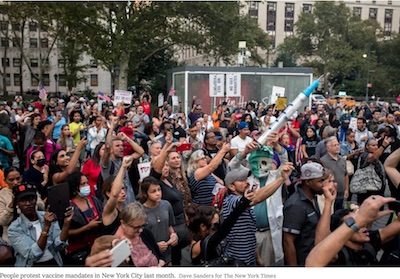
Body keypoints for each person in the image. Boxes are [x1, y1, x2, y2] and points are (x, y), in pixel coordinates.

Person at [305, 196, 397, 267]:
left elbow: (396, 225)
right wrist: (329, 202)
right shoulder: (339, 254)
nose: (361, 225)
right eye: (353, 223)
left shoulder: (369, 242)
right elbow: (316, 257)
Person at [8, 184, 73, 267]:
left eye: (31, 199)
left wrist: (66, 224)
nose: (28, 204)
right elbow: (32, 254)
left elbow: (59, 245)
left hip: (53, 263)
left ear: (35, 200)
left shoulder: (47, 216)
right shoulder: (14, 228)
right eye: (23, 201)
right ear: (17, 203)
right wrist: (46, 228)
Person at [283, 162, 329, 266]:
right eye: (320, 181)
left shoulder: (313, 198)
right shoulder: (296, 205)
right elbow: (288, 242)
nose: (323, 185)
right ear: (308, 182)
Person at [101, 116, 144, 205]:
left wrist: (127, 139)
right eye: (117, 146)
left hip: (130, 202)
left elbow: (140, 152)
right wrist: (112, 126)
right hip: (117, 205)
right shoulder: (107, 163)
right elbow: (108, 146)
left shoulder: (124, 160)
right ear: (111, 150)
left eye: (122, 145)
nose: (121, 148)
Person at [64, 172, 104, 266]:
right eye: (83, 184)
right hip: (78, 252)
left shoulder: (94, 200)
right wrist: (87, 227)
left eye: (87, 183)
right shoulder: (69, 207)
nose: (87, 186)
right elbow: (66, 232)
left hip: (96, 247)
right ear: (75, 188)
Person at [0, 167, 45, 243]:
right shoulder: (2, 195)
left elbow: (42, 207)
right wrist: (11, 205)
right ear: (5, 180)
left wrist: (32, 199)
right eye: (11, 180)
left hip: (35, 232)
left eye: (18, 179)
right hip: (12, 237)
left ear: (21, 177)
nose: (15, 182)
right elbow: (2, 221)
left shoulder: (29, 188)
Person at [140, 176, 178, 265]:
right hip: (150, 256)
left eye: (159, 190)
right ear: (145, 194)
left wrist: (173, 235)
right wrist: (155, 246)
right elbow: (139, 236)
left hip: (167, 253)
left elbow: (169, 225)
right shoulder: (141, 211)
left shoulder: (166, 205)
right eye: (153, 191)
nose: (158, 193)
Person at [115, 202, 166, 267]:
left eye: (142, 226)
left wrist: (161, 261)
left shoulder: (145, 233)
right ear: (123, 223)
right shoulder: (117, 245)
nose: (140, 230)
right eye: (136, 227)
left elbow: (159, 255)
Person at [353, 137, 391, 205]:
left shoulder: (379, 156)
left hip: (377, 189)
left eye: (377, 145)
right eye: (373, 145)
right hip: (366, 191)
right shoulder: (364, 155)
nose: (376, 147)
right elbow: (373, 157)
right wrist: (383, 146)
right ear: (367, 146)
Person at [101, 155, 133, 235]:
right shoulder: (110, 210)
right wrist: (123, 167)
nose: (122, 192)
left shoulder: (124, 209)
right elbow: (114, 194)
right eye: (119, 189)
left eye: (123, 188)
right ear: (108, 193)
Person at [320, 136, 349, 210]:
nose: (337, 147)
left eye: (338, 145)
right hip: (330, 195)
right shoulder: (323, 161)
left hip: (342, 195)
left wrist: (346, 189)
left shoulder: (342, 159)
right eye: (334, 145)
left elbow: (345, 175)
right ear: (328, 148)